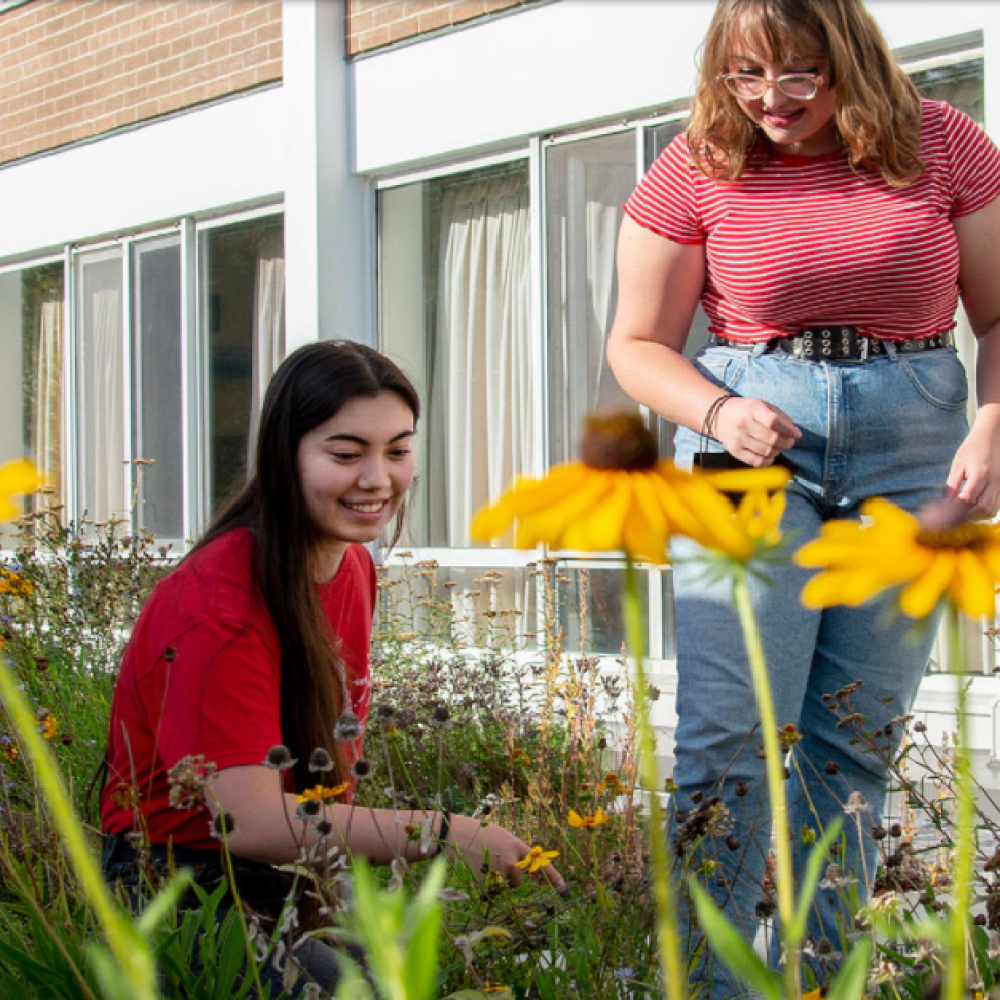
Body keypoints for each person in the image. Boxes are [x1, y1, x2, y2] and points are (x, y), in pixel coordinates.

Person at [607, 0, 1000, 993]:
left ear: (848, 57)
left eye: (796, 74)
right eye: (745, 75)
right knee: (727, 738)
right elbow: (636, 345)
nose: (770, 98)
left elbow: (999, 315)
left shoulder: (942, 143)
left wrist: (991, 424)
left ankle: (821, 979)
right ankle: (706, 984)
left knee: (851, 739)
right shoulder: (697, 160)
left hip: (911, 449)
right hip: (750, 445)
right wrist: (716, 409)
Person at [99, 341, 564, 996]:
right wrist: (444, 832)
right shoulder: (216, 610)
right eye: (346, 455)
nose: (377, 478)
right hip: (176, 887)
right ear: (283, 456)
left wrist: (327, 895)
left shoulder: (350, 568)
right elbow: (248, 823)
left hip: (290, 870)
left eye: (398, 451)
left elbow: (322, 771)